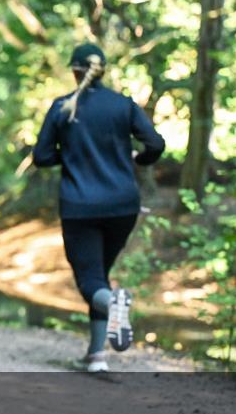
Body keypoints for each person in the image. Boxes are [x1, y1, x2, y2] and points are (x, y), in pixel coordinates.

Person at [33, 43, 165, 372]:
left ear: (75, 70)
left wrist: (71, 155)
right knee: (99, 275)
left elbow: (41, 157)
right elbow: (155, 144)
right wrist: (135, 158)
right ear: (102, 70)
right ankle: (96, 355)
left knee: (90, 280)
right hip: (123, 206)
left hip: (81, 206)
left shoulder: (63, 107)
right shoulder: (123, 105)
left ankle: (115, 306)